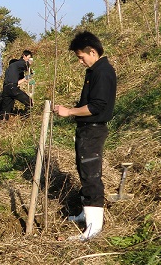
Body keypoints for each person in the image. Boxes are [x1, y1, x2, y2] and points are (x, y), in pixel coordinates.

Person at [54, 31, 116, 241]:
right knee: (83, 169)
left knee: (91, 174)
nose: (80, 61)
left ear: (92, 51)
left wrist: (69, 111)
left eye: (81, 57)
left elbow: (97, 106)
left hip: (94, 129)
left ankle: (94, 228)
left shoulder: (103, 72)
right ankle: (86, 214)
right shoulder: (94, 71)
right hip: (87, 130)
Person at [0, 50, 33, 119]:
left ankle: (2, 123)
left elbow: (16, 82)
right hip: (12, 88)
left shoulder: (9, 70)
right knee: (29, 101)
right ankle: (28, 117)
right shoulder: (17, 63)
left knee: (6, 110)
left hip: (6, 89)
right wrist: (30, 64)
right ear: (24, 56)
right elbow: (26, 65)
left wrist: (25, 79)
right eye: (28, 57)